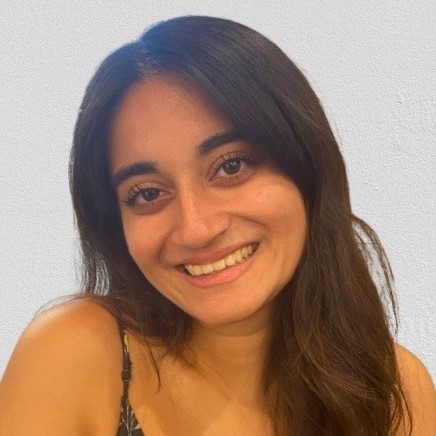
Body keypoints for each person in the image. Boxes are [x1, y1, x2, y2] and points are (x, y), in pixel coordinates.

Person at [0, 15, 435, 436]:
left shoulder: (397, 387)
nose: (196, 228)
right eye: (148, 193)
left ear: (307, 167)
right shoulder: (76, 353)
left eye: (231, 166)